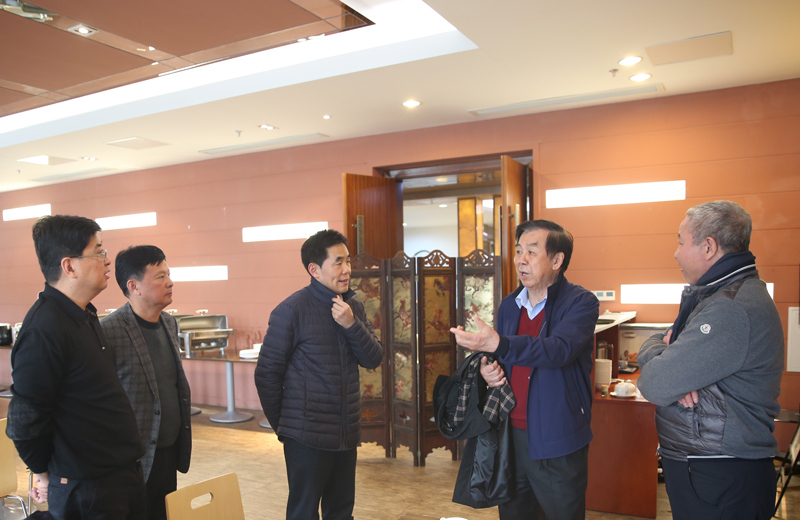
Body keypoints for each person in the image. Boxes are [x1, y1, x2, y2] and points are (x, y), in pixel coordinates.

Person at [637, 201, 784, 520]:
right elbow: (658, 342)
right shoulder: (717, 296)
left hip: (720, 473)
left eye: (680, 242)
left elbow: (656, 384)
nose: (675, 253)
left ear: (708, 247)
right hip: (713, 466)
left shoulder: (729, 308)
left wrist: (671, 369)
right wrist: (669, 360)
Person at [451, 219, 599, 520]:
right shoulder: (510, 305)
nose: (521, 260)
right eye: (519, 251)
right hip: (510, 435)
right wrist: (489, 370)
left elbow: (558, 350)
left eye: (532, 252)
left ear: (557, 260)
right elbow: (504, 357)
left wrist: (500, 344)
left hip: (556, 437)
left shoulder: (581, 303)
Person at [6, 215, 146, 520]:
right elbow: (24, 421)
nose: (107, 260)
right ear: (69, 266)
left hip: (118, 474)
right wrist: (44, 473)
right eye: (98, 252)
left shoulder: (84, 315)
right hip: (88, 487)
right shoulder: (44, 328)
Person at [254, 229, 384, 520]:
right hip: (306, 436)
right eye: (338, 262)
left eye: (348, 261)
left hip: (346, 433)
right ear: (314, 269)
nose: (347, 269)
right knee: (304, 512)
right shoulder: (291, 310)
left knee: (341, 512)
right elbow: (267, 374)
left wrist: (352, 325)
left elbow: (373, 358)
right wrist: (285, 427)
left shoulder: (353, 307)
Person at [101, 245, 192, 520]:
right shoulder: (108, 331)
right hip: (133, 458)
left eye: (169, 274)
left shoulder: (169, 323)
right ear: (134, 286)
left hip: (168, 449)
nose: (170, 282)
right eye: (160, 276)